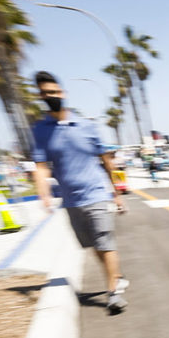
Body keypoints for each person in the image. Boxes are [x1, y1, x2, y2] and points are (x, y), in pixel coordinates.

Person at [31, 71, 130, 314]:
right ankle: (115, 276)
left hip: (96, 193)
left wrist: (116, 192)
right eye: (45, 93)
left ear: (62, 94)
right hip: (71, 199)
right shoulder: (40, 131)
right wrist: (43, 194)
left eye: (53, 92)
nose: (50, 96)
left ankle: (113, 292)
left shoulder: (87, 126)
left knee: (105, 242)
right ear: (40, 96)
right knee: (94, 245)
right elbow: (41, 166)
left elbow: (106, 160)